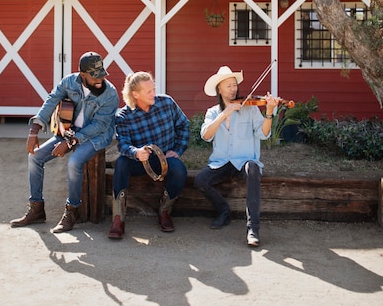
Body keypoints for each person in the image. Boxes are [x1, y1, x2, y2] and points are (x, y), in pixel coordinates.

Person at [10, 51, 119, 233]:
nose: (100, 80)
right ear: (82, 75)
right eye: (94, 76)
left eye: (101, 74)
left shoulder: (110, 94)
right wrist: (34, 129)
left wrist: (71, 142)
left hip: (96, 136)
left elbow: (100, 126)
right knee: (34, 157)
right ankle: (36, 209)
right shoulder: (69, 82)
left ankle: (72, 211)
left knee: (74, 163)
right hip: (69, 132)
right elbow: (51, 101)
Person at [194, 66, 280, 247]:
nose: (233, 89)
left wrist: (269, 112)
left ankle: (253, 229)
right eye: (228, 86)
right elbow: (206, 135)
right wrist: (225, 113)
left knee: (254, 169)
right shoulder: (212, 112)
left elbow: (263, 134)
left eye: (234, 85)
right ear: (219, 89)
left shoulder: (250, 109)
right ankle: (224, 211)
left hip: (244, 161)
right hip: (222, 162)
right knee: (200, 180)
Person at [108, 71, 189, 239]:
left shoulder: (166, 103)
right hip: (139, 160)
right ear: (135, 94)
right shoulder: (123, 116)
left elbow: (184, 125)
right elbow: (123, 144)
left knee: (180, 170)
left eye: (153, 89)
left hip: (164, 158)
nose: (154, 93)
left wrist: (178, 150)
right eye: (149, 91)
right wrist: (135, 152)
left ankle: (165, 211)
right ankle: (118, 219)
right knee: (122, 163)